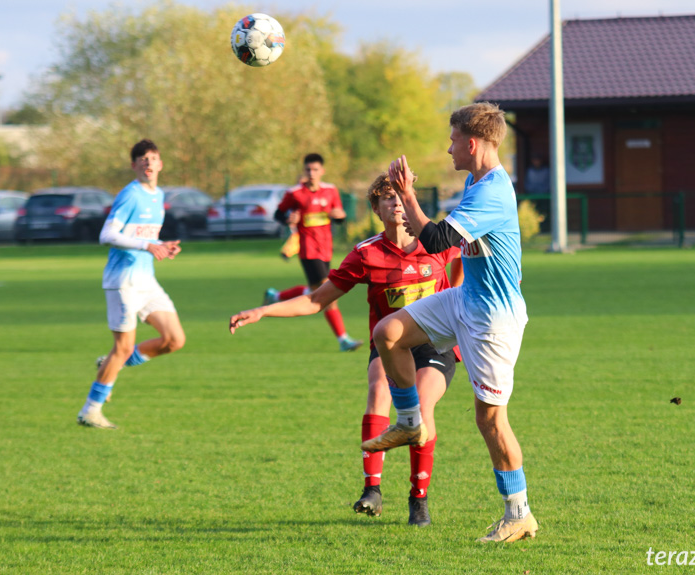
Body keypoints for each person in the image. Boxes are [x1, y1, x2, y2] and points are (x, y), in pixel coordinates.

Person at [230, 174, 462, 527]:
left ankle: (419, 500)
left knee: (423, 410)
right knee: (377, 391)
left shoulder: (437, 242)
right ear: (375, 208)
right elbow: (314, 301)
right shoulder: (367, 254)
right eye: (387, 197)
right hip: (390, 346)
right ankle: (372, 490)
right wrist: (262, 310)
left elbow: (467, 268)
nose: (396, 202)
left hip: (435, 345)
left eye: (401, 195)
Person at [361, 102, 538, 543]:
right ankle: (409, 420)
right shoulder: (477, 180)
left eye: (454, 139)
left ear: (472, 143)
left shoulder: (492, 190)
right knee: (389, 333)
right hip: (466, 298)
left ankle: (519, 513)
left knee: (491, 419)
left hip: (492, 319)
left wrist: (407, 196)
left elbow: (439, 240)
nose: (448, 147)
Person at [77, 139, 185, 429]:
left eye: (153, 158)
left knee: (174, 340)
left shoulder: (158, 195)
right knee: (122, 348)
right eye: (142, 159)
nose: (148, 163)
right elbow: (107, 235)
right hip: (123, 282)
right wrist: (148, 246)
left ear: (160, 164)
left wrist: (162, 245)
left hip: (147, 281)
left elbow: (143, 237)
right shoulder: (131, 195)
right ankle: (91, 409)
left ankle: (110, 365)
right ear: (134, 165)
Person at [263, 153, 362, 352]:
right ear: (304, 171)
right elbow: (278, 214)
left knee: (316, 291)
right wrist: (288, 219)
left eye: (315, 169)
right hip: (307, 249)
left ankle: (276, 295)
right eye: (308, 170)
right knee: (329, 293)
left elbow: (340, 215)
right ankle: (343, 339)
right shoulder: (295, 193)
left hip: (326, 248)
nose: (311, 173)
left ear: (322, 171)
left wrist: (340, 216)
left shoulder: (331, 190)